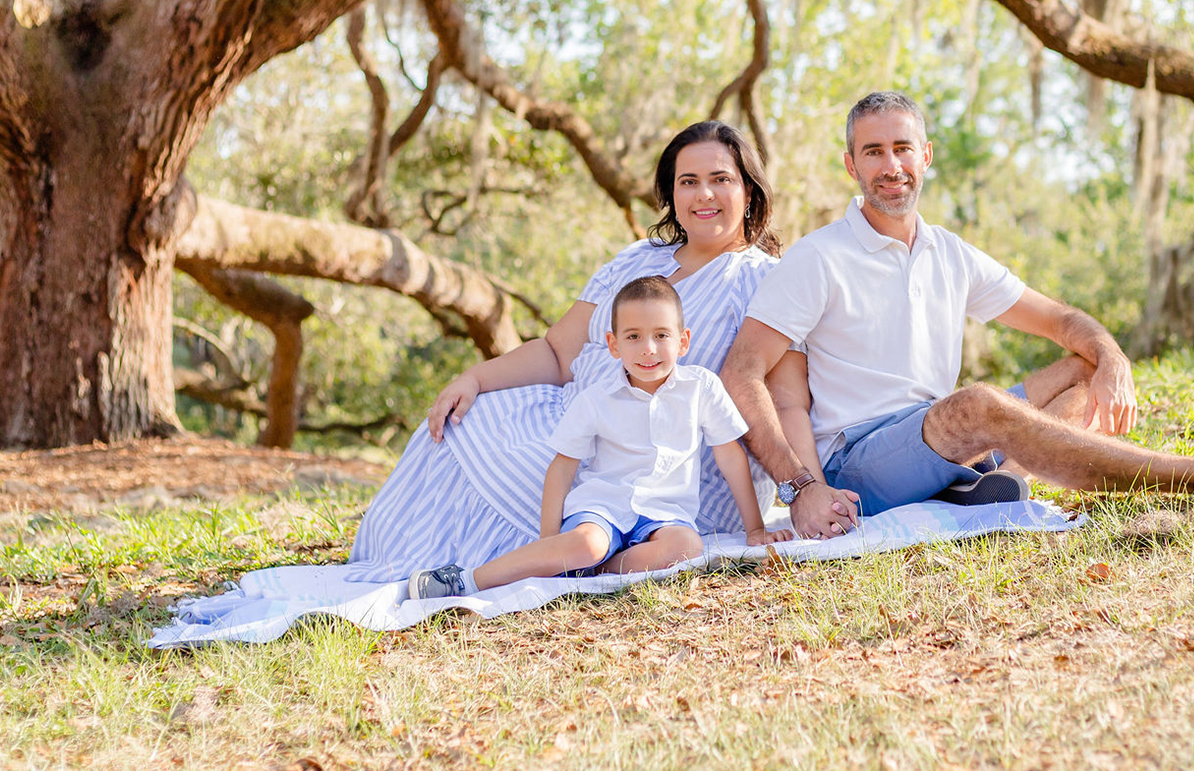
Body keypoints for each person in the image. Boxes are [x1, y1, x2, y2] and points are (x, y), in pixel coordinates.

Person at [716, 90, 1194, 519]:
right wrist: (801, 489)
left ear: (926, 156)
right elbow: (740, 373)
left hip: (938, 443)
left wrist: (1111, 356)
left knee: (1081, 368)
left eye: (902, 148)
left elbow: (1061, 322)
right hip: (859, 464)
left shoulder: (949, 253)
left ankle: (989, 489)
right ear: (851, 165)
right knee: (977, 405)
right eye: (873, 152)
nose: (890, 166)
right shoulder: (819, 257)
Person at [346, 119, 858, 584]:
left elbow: (788, 401)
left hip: (672, 467)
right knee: (466, 421)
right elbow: (557, 352)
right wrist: (475, 379)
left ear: (749, 189)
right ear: (670, 194)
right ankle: (419, 569)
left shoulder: (767, 278)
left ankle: (523, 566)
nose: (704, 194)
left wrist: (804, 487)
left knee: (540, 474)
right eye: (688, 181)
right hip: (582, 420)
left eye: (721, 179)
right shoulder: (637, 259)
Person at [407, 276, 789, 598]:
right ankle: (466, 579)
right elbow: (561, 468)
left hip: (666, 513)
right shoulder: (597, 398)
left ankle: (594, 571)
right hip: (603, 507)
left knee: (687, 549)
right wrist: (547, 539)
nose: (649, 349)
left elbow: (730, 457)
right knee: (587, 543)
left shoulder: (701, 387)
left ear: (683, 341)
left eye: (661, 335)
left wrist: (755, 529)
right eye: (634, 336)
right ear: (613, 344)